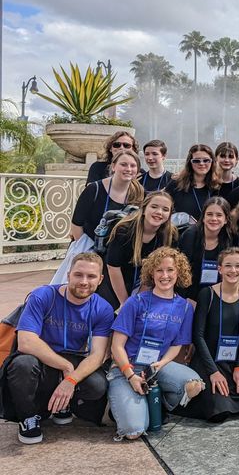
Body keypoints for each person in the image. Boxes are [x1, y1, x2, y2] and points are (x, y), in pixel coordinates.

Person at [1, 253, 114, 444]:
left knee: (97, 385)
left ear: (100, 279)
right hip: (40, 357)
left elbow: (98, 355)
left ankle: (63, 404)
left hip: (73, 357)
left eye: (91, 276)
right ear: (68, 274)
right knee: (22, 365)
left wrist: (71, 379)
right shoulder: (43, 295)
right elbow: (26, 342)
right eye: (78, 275)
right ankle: (28, 417)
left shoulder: (103, 309)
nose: (84, 281)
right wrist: (67, 368)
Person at [107, 247, 203, 440]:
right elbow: (116, 345)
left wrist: (163, 362)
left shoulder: (184, 307)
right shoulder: (136, 302)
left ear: (179, 273)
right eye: (159, 270)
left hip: (157, 367)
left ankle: (156, 403)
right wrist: (130, 374)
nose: (165, 275)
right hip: (127, 366)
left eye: (170, 270)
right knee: (133, 431)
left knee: (195, 385)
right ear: (151, 273)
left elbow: (177, 344)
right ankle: (129, 400)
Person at [183, 247, 239, 422]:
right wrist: (213, 372)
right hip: (209, 359)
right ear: (220, 269)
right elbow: (198, 336)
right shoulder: (207, 294)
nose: (233, 270)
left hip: (233, 360)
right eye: (228, 266)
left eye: (238, 266)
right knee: (218, 412)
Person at [102, 190, 178, 309]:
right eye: (154, 207)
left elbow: (154, 270)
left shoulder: (169, 234)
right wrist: (125, 302)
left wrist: (138, 299)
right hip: (116, 281)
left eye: (165, 209)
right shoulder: (124, 230)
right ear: (144, 208)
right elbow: (113, 267)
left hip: (145, 283)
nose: (159, 212)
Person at [71, 149, 145, 244]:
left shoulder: (139, 193)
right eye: (123, 164)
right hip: (92, 251)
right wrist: (86, 252)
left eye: (133, 166)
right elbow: (76, 224)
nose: (128, 169)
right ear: (113, 166)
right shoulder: (94, 189)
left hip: (119, 252)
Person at [178, 197, 233, 302]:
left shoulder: (228, 238)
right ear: (203, 217)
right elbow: (181, 271)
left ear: (226, 219)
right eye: (209, 214)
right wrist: (186, 299)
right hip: (188, 295)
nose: (214, 218)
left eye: (219, 215)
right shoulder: (190, 235)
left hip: (214, 295)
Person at [165, 143, 220, 221]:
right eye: (196, 161)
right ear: (190, 163)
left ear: (212, 162)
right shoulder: (175, 184)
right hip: (181, 231)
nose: (201, 163)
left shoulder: (218, 186)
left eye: (206, 160)